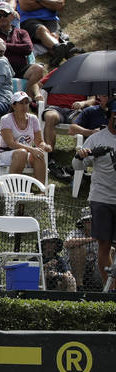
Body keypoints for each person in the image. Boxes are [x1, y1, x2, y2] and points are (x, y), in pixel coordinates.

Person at [76, 106, 116, 285]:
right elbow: (78, 166)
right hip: (101, 198)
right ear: (110, 117)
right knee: (104, 245)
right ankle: (111, 288)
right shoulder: (96, 139)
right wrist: (80, 155)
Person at [0, 91, 50, 183]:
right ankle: (12, 188)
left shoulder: (33, 119)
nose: (24, 106)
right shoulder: (6, 119)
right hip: (6, 153)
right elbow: (11, 144)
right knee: (22, 153)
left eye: (26, 103)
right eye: (20, 103)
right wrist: (32, 149)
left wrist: (43, 146)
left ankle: (42, 191)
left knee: (38, 155)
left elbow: (39, 141)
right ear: (13, 106)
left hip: (25, 152)